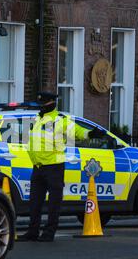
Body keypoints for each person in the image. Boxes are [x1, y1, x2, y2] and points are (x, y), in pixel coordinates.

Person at [18, 92, 105, 242]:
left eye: (43, 103)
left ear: (51, 103)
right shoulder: (38, 119)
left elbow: (78, 131)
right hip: (38, 167)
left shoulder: (60, 120)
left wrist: (91, 133)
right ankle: (33, 231)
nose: (41, 107)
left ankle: (49, 232)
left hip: (54, 167)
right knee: (35, 202)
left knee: (54, 203)